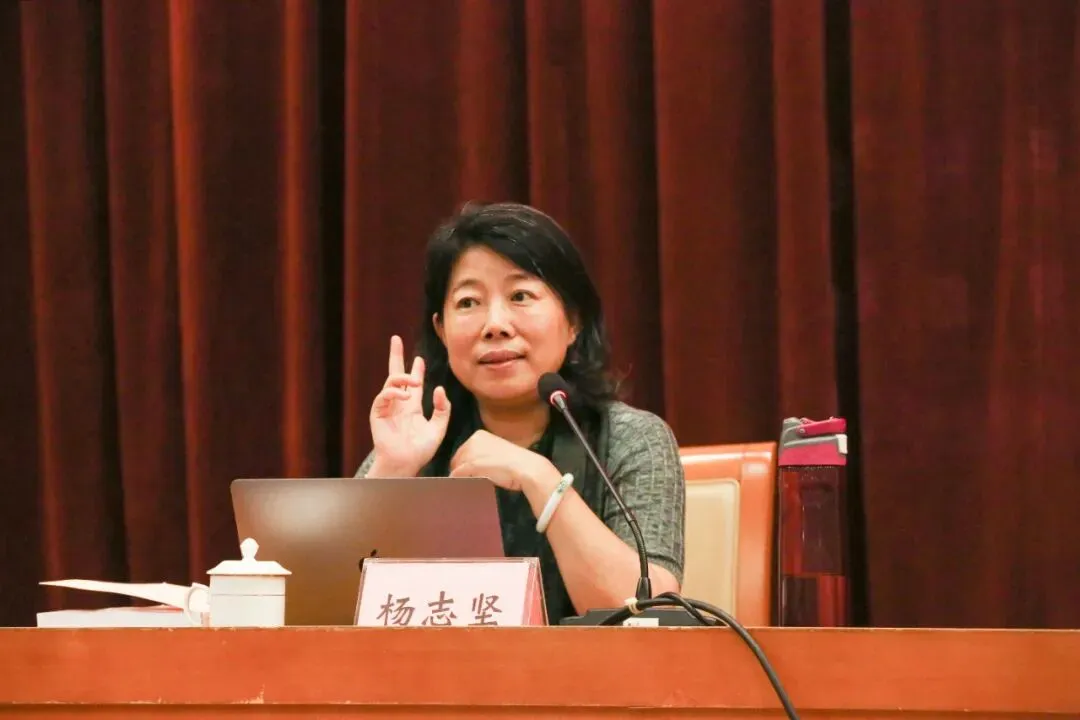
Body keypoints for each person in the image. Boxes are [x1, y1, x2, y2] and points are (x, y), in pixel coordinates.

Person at [354, 201, 685, 624]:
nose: (495, 324)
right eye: (469, 302)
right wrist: (393, 473)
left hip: (585, 668)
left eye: (520, 296)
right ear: (441, 330)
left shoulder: (629, 438)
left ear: (573, 321)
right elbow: (324, 607)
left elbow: (650, 614)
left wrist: (540, 479)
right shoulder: (418, 441)